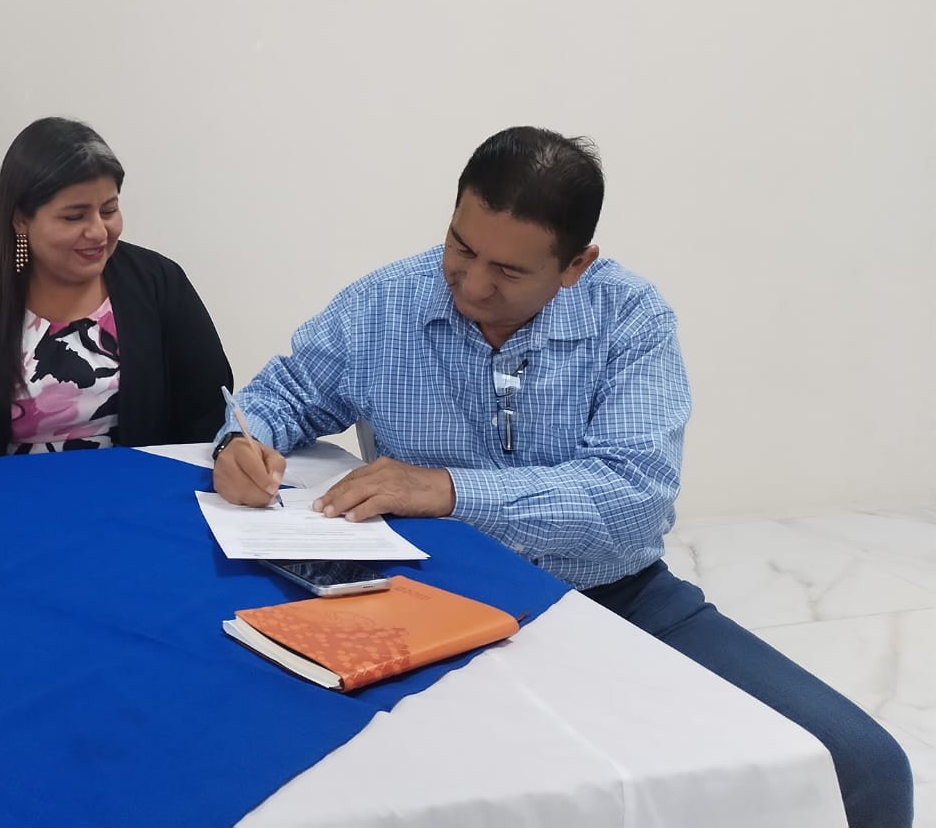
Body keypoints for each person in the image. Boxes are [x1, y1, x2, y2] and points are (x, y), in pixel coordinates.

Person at [212, 126, 912, 828]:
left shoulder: (630, 318)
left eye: (508, 271)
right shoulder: (384, 303)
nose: (472, 284)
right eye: (461, 247)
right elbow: (283, 395)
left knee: (864, 767)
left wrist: (448, 490)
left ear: (576, 265)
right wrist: (241, 442)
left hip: (616, 596)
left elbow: (634, 496)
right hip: (425, 596)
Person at [0, 116, 232, 462]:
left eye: (109, 210)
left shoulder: (159, 284)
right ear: (21, 218)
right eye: (74, 216)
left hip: (137, 489)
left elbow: (208, 411)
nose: (98, 232)